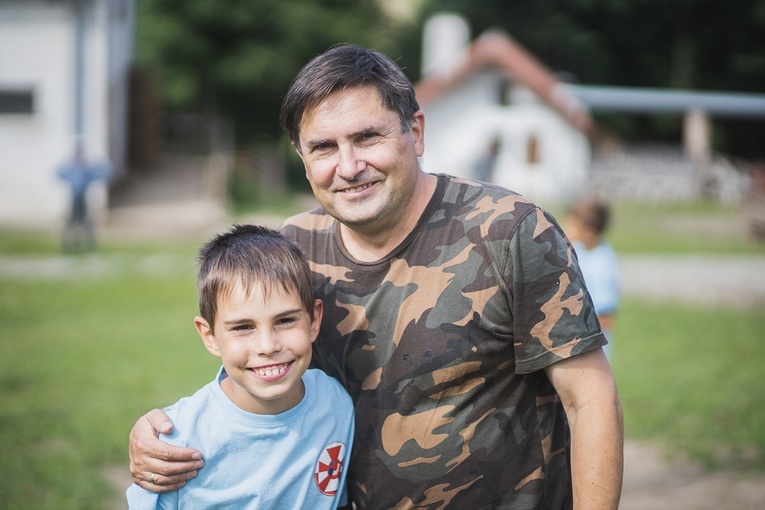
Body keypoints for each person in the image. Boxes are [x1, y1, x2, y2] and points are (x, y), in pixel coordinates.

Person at [129, 44, 623, 509]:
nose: (349, 166)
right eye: (323, 147)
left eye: (367, 137)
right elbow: (259, 371)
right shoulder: (295, 248)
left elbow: (590, 400)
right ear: (303, 161)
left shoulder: (510, 231)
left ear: (416, 132)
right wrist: (163, 435)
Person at [126, 224, 354, 509]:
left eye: (285, 321)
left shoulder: (336, 403)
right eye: (243, 327)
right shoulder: (178, 441)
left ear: (314, 320)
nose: (267, 345)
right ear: (210, 336)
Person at [563, 196, 621, 359]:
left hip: (590, 346)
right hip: (574, 337)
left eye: (573, 225)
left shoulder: (602, 264)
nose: (566, 228)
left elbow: (605, 316)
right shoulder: (580, 249)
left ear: (589, 234)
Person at [56, 140, 112, 252]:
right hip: (74, 197)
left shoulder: (87, 165)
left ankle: (89, 245)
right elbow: (60, 173)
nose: (79, 152)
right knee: (71, 222)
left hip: (84, 197)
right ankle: (68, 245)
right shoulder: (70, 165)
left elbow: (105, 172)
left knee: (87, 222)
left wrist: (100, 167)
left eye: (80, 150)